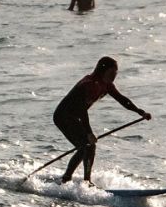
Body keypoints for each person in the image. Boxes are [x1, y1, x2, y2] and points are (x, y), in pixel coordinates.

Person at [52, 57, 150, 185]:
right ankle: (75, 180)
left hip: (74, 117)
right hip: (62, 116)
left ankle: (78, 180)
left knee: (87, 146)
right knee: (86, 145)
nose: (115, 75)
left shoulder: (107, 85)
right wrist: (89, 133)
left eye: (116, 72)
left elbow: (122, 99)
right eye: (112, 72)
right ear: (103, 70)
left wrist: (139, 111)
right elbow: (82, 110)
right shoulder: (88, 84)